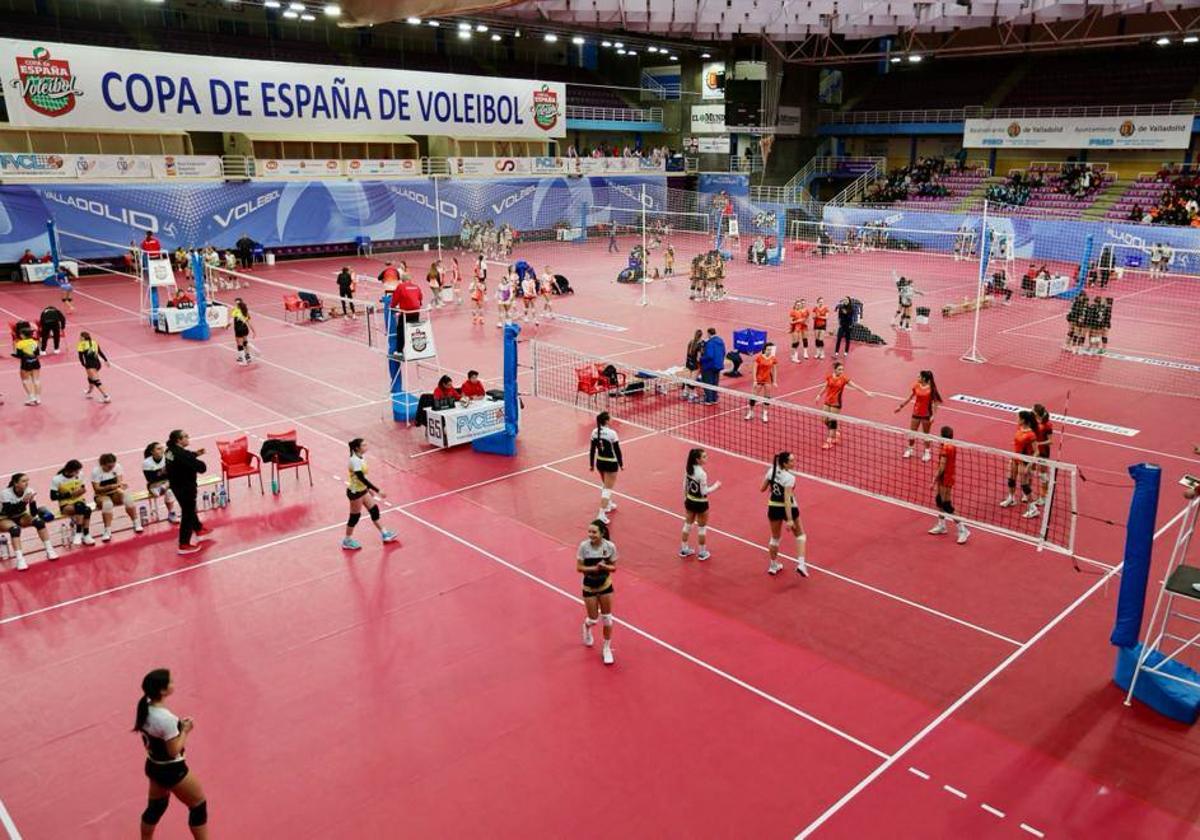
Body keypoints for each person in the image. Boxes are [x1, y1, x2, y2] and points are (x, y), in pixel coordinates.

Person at [132, 668, 209, 839]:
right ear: (162, 690)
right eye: (171, 682)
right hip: (172, 770)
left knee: (156, 807)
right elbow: (173, 751)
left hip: (153, 765)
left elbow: (157, 735)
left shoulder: (145, 706)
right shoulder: (166, 719)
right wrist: (185, 731)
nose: (174, 683)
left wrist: (176, 729)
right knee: (198, 805)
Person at [342, 438, 398, 550]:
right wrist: (377, 490)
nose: (366, 447)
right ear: (357, 448)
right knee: (355, 517)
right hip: (355, 493)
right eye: (364, 445)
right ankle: (347, 540)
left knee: (374, 510)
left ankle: (385, 534)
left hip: (362, 490)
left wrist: (368, 490)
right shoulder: (355, 461)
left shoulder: (361, 458)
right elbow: (361, 478)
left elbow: (363, 478)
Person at [576, 519, 618, 665]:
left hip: (605, 585)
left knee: (607, 618)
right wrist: (594, 569)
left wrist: (605, 567)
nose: (591, 534)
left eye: (594, 532)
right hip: (589, 587)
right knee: (593, 619)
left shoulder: (610, 547)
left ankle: (606, 648)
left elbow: (614, 568)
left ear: (602, 533)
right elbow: (579, 568)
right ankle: (587, 628)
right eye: (589, 532)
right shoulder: (584, 547)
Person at [761, 451, 807, 576]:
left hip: (773, 507)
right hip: (788, 508)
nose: (794, 462)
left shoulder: (771, 471)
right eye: (791, 461)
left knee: (775, 538)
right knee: (800, 536)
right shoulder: (790, 478)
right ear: (785, 463)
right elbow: (787, 499)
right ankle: (801, 565)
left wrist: (773, 486)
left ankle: (773, 565)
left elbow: (762, 489)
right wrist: (790, 519)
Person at [1, 472, 59, 571]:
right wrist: (23, 502)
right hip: (4, 517)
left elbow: (33, 512)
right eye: (23, 481)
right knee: (15, 529)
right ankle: (20, 559)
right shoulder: (5, 493)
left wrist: (32, 501)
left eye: (27, 481)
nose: (26, 483)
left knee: (39, 522)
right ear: (15, 483)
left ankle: (50, 550)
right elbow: (9, 511)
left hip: (21, 515)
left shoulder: (29, 491)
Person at [166, 430, 207, 556]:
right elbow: (201, 467)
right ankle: (183, 544)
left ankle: (198, 528)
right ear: (178, 440)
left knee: (187, 509)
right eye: (185, 437)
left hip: (176, 485)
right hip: (185, 487)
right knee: (188, 513)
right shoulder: (181, 454)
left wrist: (194, 454)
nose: (188, 438)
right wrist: (197, 460)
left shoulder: (169, 450)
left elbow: (183, 458)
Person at [815, 361, 873, 450]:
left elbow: (855, 386)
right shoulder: (829, 377)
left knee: (832, 421)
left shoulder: (844, 379)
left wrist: (866, 392)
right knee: (824, 419)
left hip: (836, 403)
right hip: (827, 401)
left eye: (842, 369)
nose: (841, 371)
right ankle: (836, 431)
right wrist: (819, 395)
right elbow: (826, 386)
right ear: (834, 370)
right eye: (839, 369)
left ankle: (829, 440)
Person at [929, 427, 970, 544]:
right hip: (947, 477)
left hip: (946, 479)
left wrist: (933, 480)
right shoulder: (951, 445)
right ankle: (941, 525)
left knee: (947, 505)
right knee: (939, 501)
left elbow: (942, 467)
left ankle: (963, 530)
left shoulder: (946, 448)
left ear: (942, 435)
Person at [92, 453, 143, 542]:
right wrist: (111, 487)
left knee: (128, 497)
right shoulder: (96, 471)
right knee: (108, 504)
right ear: (102, 465)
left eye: (113, 466)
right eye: (108, 467)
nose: (111, 469)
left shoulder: (117, 467)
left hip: (115, 493)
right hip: (101, 495)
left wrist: (121, 486)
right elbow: (97, 489)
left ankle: (136, 523)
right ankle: (107, 531)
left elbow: (119, 483)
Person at [1000, 411, 1040, 519]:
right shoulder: (1019, 428)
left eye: (1018, 417)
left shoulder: (1031, 434)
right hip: (1015, 458)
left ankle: (1033, 508)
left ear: (1023, 420)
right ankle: (1011, 498)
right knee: (1011, 479)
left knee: (1024, 485)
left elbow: (1037, 452)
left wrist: (1029, 465)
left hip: (1024, 461)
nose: (1016, 418)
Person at [894, 370, 942, 461]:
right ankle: (910, 449)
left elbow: (935, 403)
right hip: (916, 413)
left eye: (919, 376)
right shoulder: (916, 386)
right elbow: (910, 397)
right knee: (912, 433)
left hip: (926, 415)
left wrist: (933, 416)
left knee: (926, 434)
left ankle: (927, 452)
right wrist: (901, 406)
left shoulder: (931, 389)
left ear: (924, 378)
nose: (917, 378)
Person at [681, 448, 720, 561]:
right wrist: (716, 486)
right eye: (704, 456)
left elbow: (684, 485)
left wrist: (686, 498)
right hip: (701, 503)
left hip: (690, 500)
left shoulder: (688, 469)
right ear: (697, 460)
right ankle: (702, 553)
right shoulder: (702, 474)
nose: (706, 458)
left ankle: (684, 549)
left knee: (687, 524)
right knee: (702, 528)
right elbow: (703, 492)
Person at [49, 459, 94, 547]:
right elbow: (53, 496)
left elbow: (82, 487)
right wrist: (70, 494)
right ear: (69, 471)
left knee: (85, 508)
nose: (78, 473)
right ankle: (81, 533)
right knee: (84, 508)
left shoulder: (80, 475)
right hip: (66, 505)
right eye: (76, 471)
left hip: (79, 501)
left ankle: (84, 535)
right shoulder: (57, 479)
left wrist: (82, 491)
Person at [588, 411, 622, 524]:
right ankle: (601, 514)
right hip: (611, 463)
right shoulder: (612, 433)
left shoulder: (594, 432)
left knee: (605, 484)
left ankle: (608, 504)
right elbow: (617, 450)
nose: (611, 419)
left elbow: (592, 450)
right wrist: (621, 464)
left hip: (600, 462)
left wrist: (591, 464)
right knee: (607, 488)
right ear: (606, 420)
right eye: (610, 418)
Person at [142, 442, 180, 524]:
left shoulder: (168, 456)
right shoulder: (147, 462)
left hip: (169, 482)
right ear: (152, 452)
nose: (162, 450)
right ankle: (164, 487)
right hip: (155, 484)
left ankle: (171, 513)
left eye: (162, 448)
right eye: (158, 449)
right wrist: (163, 472)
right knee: (160, 492)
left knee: (169, 491)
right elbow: (150, 479)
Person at [746, 341, 777, 423]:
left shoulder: (773, 358)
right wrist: (755, 380)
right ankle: (750, 412)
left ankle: (765, 414)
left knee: (767, 398)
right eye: (768, 350)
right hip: (759, 379)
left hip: (768, 380)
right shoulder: (759, 358)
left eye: (770, 350)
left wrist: (774, 381)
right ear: (764, 350)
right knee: (753, 397)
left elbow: (774, 370)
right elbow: (754, 369)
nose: (769, 351)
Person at [78, 331, 112, 403]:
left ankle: (106, 396)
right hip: (97, 364)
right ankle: (89, 392)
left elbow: (80, 356)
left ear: (83, 338)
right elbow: (100, 352)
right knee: (90, 378)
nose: (79, 338)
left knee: (96, 381)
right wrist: (106, 360)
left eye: (80, 337)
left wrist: (83, 364)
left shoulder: (81, 344)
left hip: (90, 365)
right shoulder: (94, 342)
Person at [13, 325, 42, 406]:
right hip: (35, 362)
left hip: (26, 364)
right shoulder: (34, 342)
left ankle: (31, 397)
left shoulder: (20, 343)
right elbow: (37, 353)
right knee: (36, 380)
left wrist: (13, 355)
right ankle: (38, 398)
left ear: (23, 335)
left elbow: (19, 355)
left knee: (25, 381)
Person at [1032, 403, 1054, 506]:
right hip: (1033, 450)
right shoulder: (1034, 421)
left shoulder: (1047, 425)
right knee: (1030, 471)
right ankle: (1027, 493)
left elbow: (1050, 441)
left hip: (1043, 452)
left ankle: (1043, 497)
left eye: (1033, 410)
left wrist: (1039, 443)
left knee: (1042, 475)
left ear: (1037, 412)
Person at [698, 327, 725, 404]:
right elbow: (723, 352)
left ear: (709, 333)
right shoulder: (720, 340)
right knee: (715, 382)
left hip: (709, 366)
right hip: (718, 365)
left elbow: (710, 355)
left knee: (707, 382)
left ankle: (708, 400)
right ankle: (714, 399)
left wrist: (701, 359)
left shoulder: (710, 343)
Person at [230, 298, 255, 365]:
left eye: (237, 303)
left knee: (239, 344)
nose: (236, 304)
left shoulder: (235, 310)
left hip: (238, 329)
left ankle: (242, 358)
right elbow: (249, 321)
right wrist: (254, 331)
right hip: (245, 329)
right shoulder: (245, 311)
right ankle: (247, 356)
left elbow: (231, 320)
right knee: (245, 342)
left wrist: (227, 325)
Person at [789, 298, 810, 362]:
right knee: (795, 342)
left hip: (800, 328)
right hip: (795, 328)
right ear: (795, 305)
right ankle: (794, 356)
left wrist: (805, 322)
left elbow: (806, 318)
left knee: (798, 342)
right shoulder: (793, 311)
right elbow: (791, 321)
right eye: (797, 304)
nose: (799, 305)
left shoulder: (801, 311)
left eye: (799, 304)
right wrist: (798, 321)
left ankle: (794, 356)